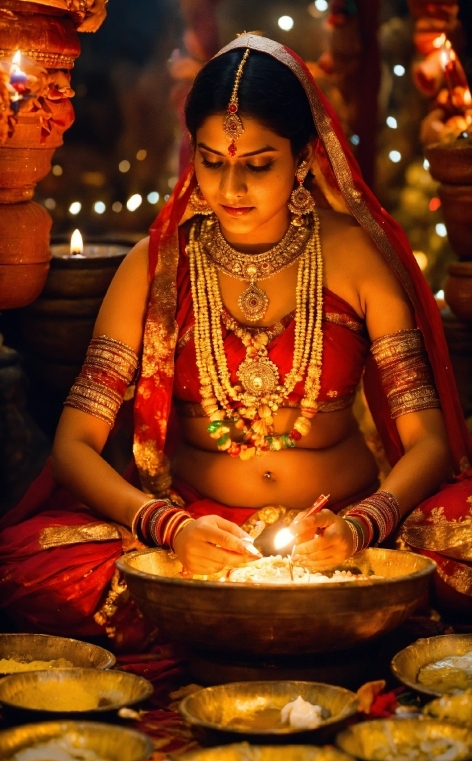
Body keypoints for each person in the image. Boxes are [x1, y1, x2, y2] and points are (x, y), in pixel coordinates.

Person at [1, 34, 471, 648]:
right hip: (203, 538)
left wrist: (362, 526)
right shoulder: (157, 266)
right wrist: (168, 528)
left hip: (343, 531)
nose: (230, 188)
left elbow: (428, 441)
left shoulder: (355, 257)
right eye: (212, 161)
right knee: (23, 564)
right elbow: (74, 446)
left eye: (257, 164)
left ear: (302, 158)